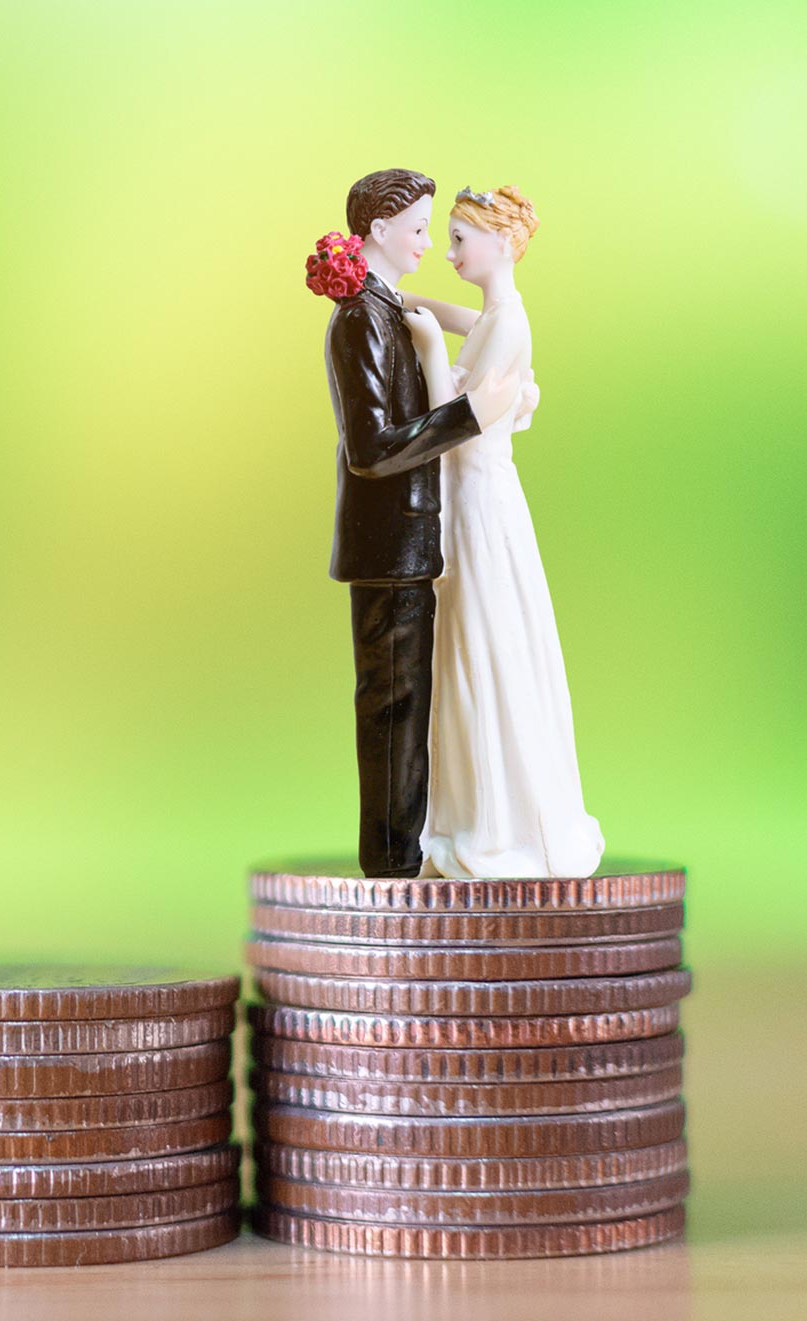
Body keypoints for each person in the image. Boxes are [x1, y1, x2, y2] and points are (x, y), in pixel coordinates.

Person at [316, 168, 525, 878]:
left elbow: (449, 320)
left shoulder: (384, 305)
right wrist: (471, 415)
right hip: (389, 544)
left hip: (408, 542)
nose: (428, 243)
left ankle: (404, 857)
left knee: (407, 707)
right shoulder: (359, 321)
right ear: (378, 230)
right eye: (418, 229)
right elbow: (373, 449)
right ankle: (391, 870)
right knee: (392, 707)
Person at [399, 186, 604, 878]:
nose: (449, 251)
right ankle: (468, 806)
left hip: (478, 493)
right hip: (472, 490)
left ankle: (496, 821)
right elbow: (476, 323)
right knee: (466, 636)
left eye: (459, 239)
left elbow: (454, 415)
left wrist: (426, 343)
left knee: (482, 636)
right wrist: (422, 308)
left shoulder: (510, 323)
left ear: (501, 244)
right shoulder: (499, 314)